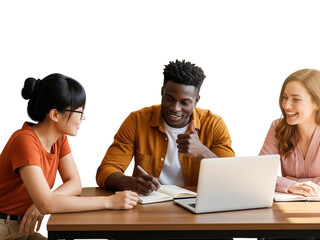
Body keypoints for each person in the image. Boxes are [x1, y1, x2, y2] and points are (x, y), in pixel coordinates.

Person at [0, 74, 139, 240]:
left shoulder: (59, 138)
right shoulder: (24, 141)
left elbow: (75, 184)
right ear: (55, 115)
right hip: (4, 229)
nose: (83, 117)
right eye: (79, 111)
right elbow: (47, 204)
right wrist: (110, 202)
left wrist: (43, 201)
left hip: (23, 229)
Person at [96, 60, 235, 195]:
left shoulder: (213, 124)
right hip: (150, 206)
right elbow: (105, 171)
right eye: (169, 99)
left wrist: (203, 152)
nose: (175, 108)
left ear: (196, 100)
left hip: (196, 206)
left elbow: (233, 179)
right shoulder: (137, 120)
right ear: (162, 92)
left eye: (185, 102)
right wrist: (131, 183)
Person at [260, 69, 320, 197]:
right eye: (285, 97)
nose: (286, 105)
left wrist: (292, 181)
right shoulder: (278, 127)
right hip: (288, 207)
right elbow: (260, 174)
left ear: (317, 103)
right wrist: (290, 184)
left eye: (296, 100)